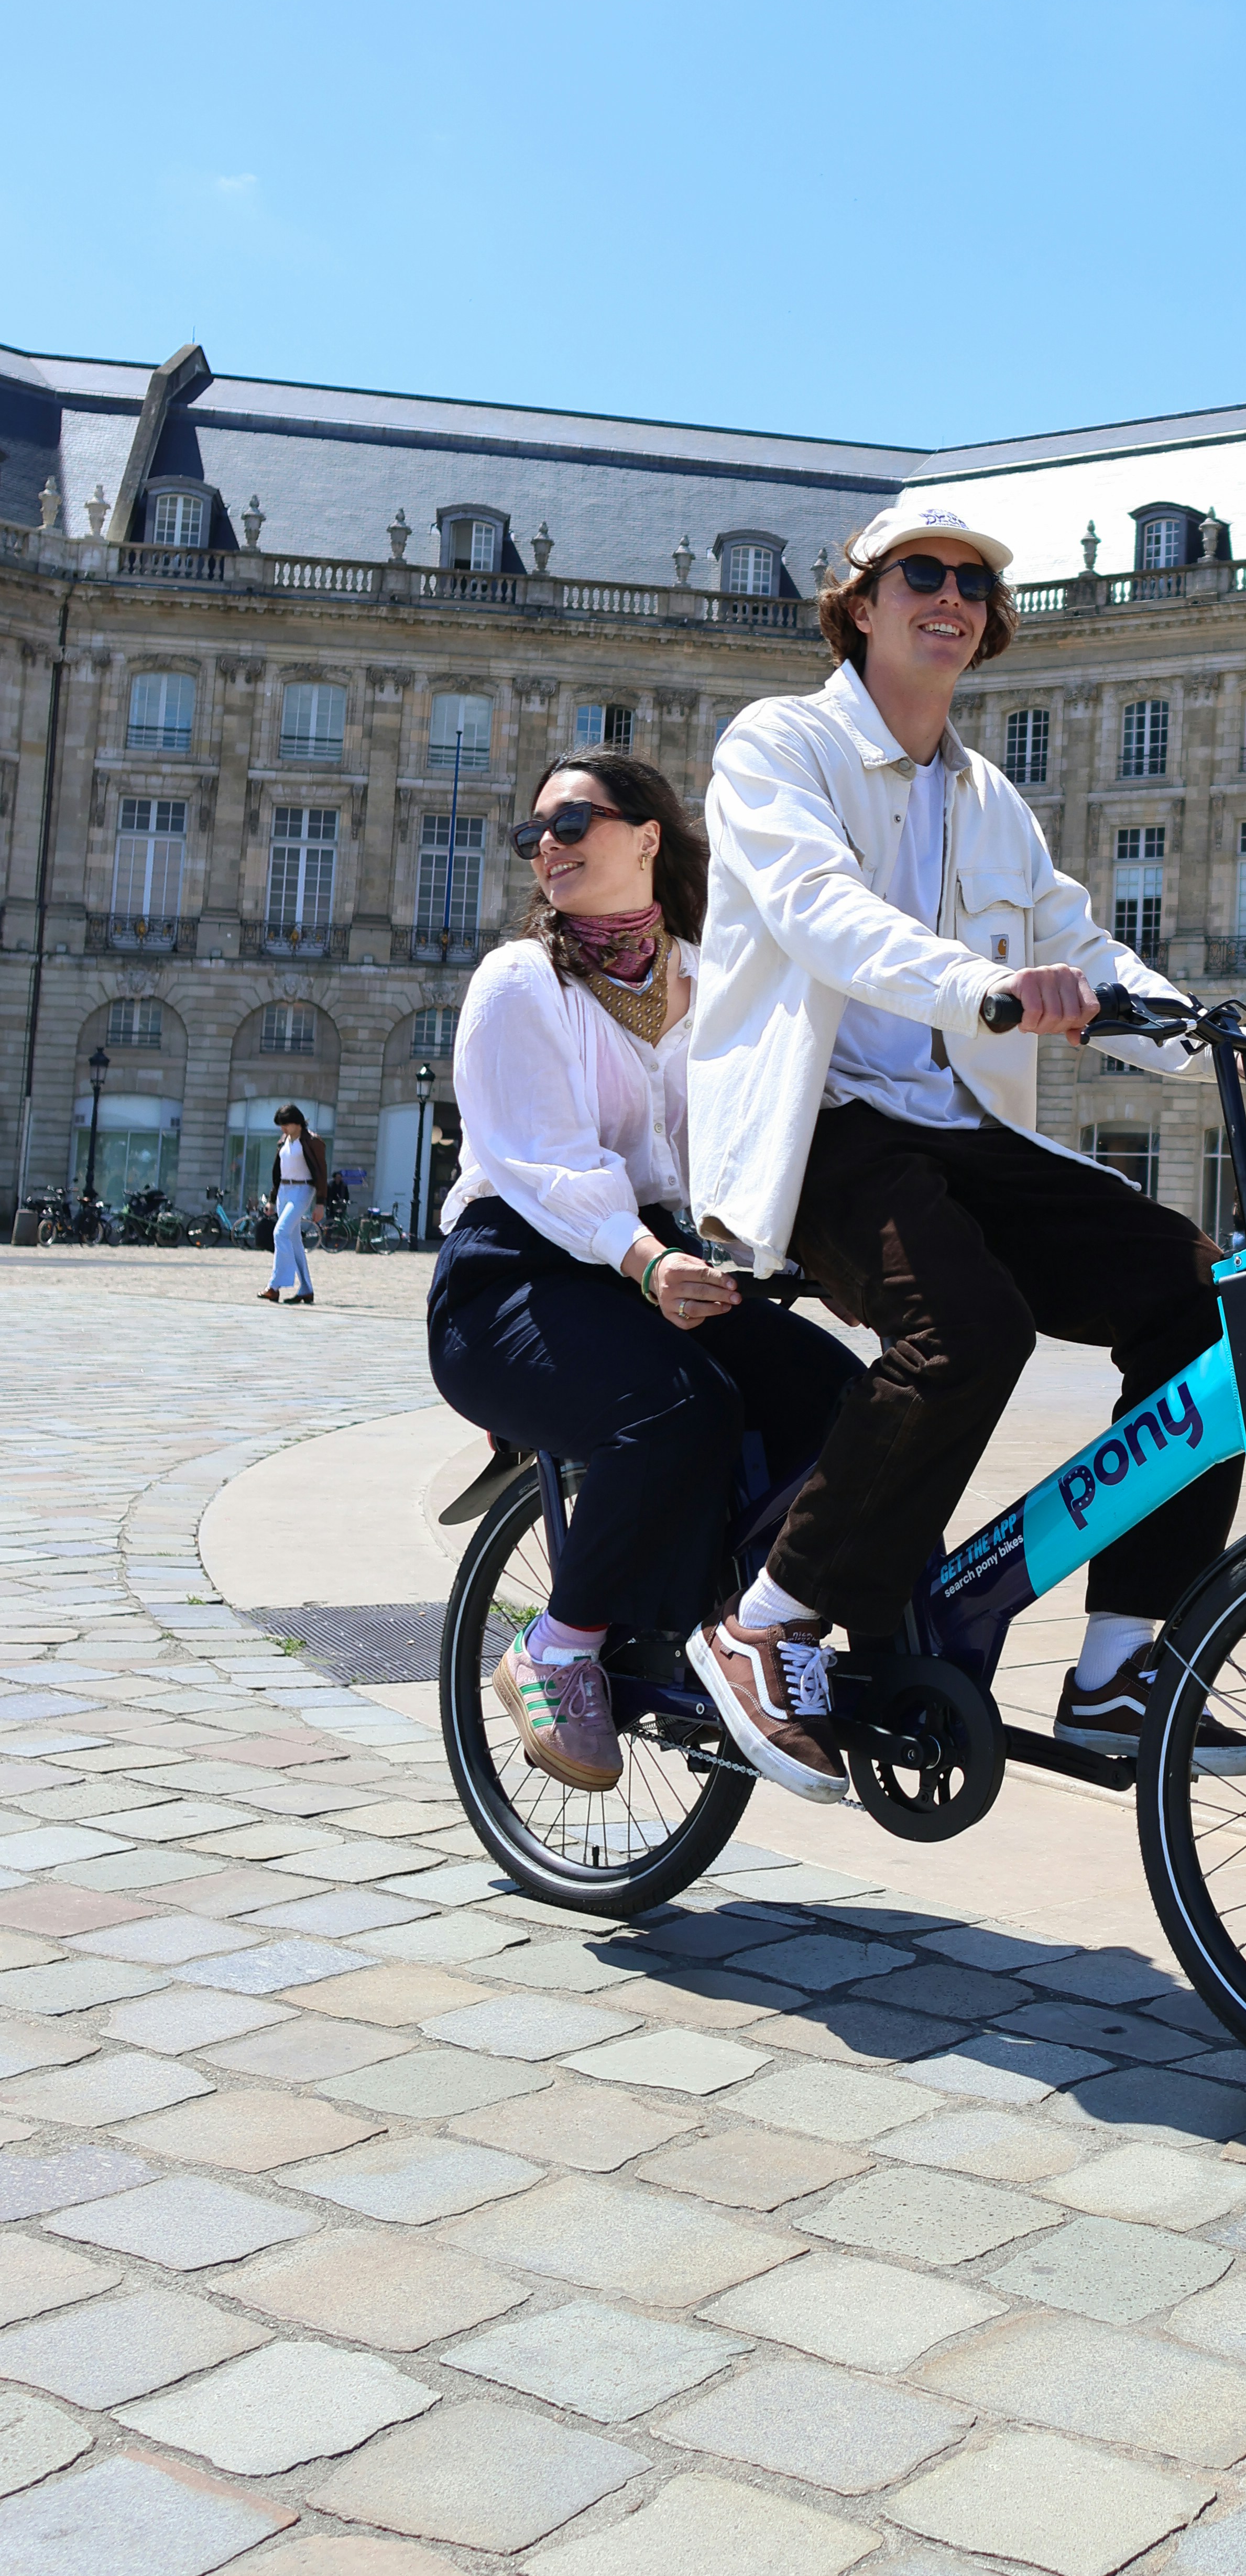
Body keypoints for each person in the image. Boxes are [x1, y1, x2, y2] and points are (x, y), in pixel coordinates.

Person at [685, 500, 1246, 1799]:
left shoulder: (986, 796)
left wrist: (1214, 1039)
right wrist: (987, 988)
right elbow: (819, 913)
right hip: (825, 1130)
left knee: (1205, 1304)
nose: (950, 597)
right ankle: (767, 1621)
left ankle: (1120, 1665)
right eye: (923, 574)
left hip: (961, 1129)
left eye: (972, 582)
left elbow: (1080, 948)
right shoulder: (778, 745)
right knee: (965, 1331)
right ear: (860, 601)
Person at [425, 750, 860, 1796]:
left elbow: (761, 1137)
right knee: (677, 1412)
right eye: (533, 835)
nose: (548, 849)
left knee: (846, 1403)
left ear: (649, 836)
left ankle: (755, 1625)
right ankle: (559, 1647)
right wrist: (647, 1255)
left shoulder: (710, 979)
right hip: (516, 1276)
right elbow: (545, 1164)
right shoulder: (519, 984)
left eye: (571, 824)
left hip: (659, 1256)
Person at [261, 1105, 325, 1305]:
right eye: (281, 1125)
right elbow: (277, 1173)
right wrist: (272, 1199)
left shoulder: (313, 1141)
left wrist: (320, 1203)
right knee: (295, 1242)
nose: (283, 1129)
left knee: (280, 1233)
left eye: (286, 1124)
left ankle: (275, 1286)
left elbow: (322, 1173)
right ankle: (306, 1289)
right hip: (284, 1191)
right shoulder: (283, 1142)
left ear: (298, 1122)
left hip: (303, 1190)